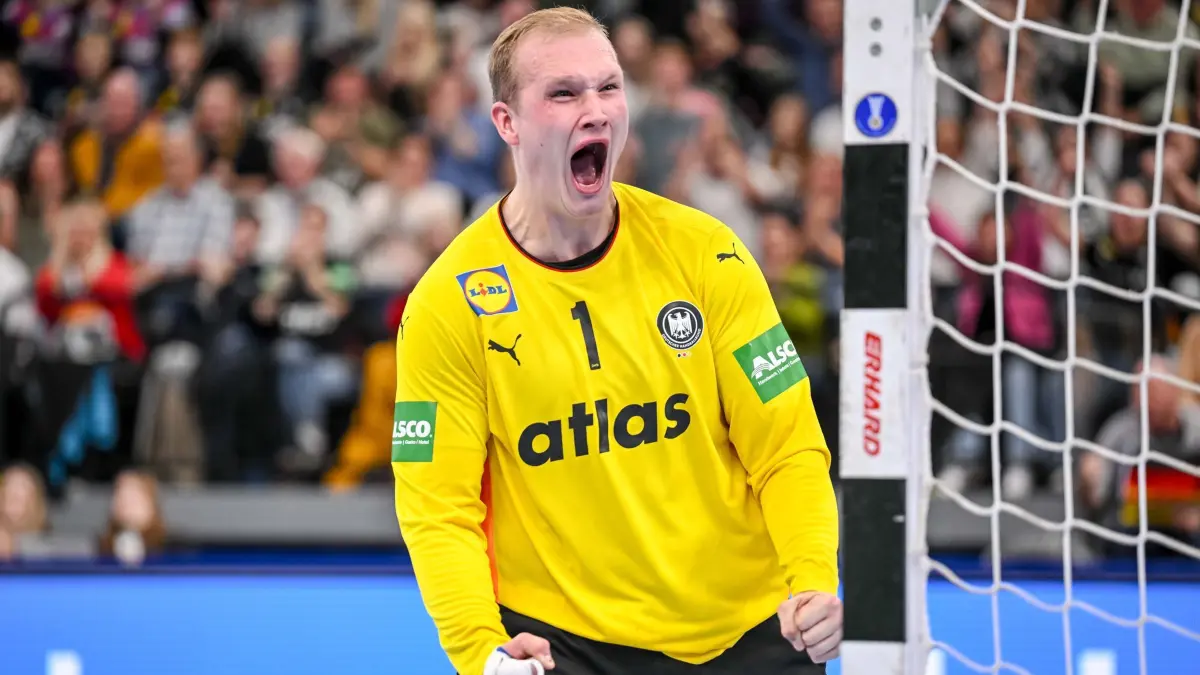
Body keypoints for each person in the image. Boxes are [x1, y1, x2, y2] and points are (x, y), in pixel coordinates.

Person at [392, 8, 840, 675]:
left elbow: (785, 444)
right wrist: (479, 646)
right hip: (567, 644)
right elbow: (438, 506)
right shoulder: (447, 301)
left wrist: (814, 576)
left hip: (752, 627)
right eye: (565, 93)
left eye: (609, 86)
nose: (597, 110)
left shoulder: (706, 252)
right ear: (506, 123)